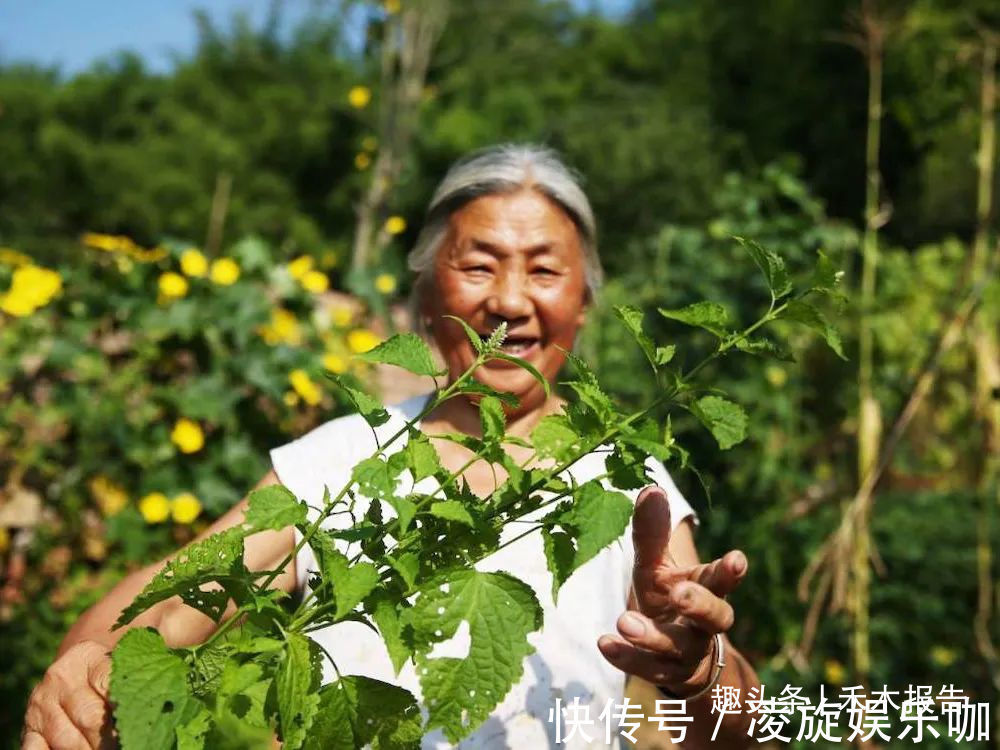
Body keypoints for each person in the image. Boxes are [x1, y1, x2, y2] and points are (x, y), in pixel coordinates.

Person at [22, 144, 760, 749]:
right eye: (478, 264)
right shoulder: (343, 463)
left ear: (585, 301)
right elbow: (156, 619)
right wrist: (88, 668)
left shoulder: (626, 481)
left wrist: (701, 673)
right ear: (424, 292)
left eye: (543, 269)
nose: (508, 300)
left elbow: (733, 735)